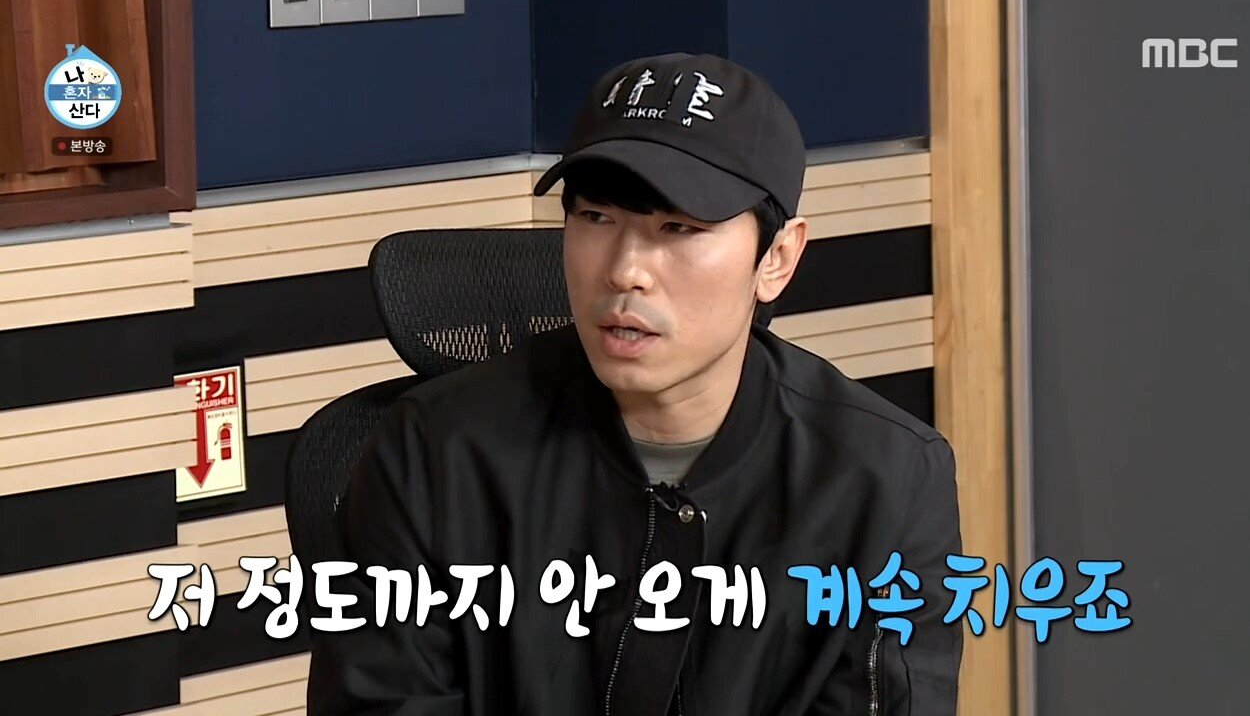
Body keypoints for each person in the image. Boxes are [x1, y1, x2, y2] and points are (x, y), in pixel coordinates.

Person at [308, 52, 962, 716]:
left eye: (678, 228)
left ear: (777, 258)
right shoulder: (432, 452)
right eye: (596, 218)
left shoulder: (884, 479)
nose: (625, 270)